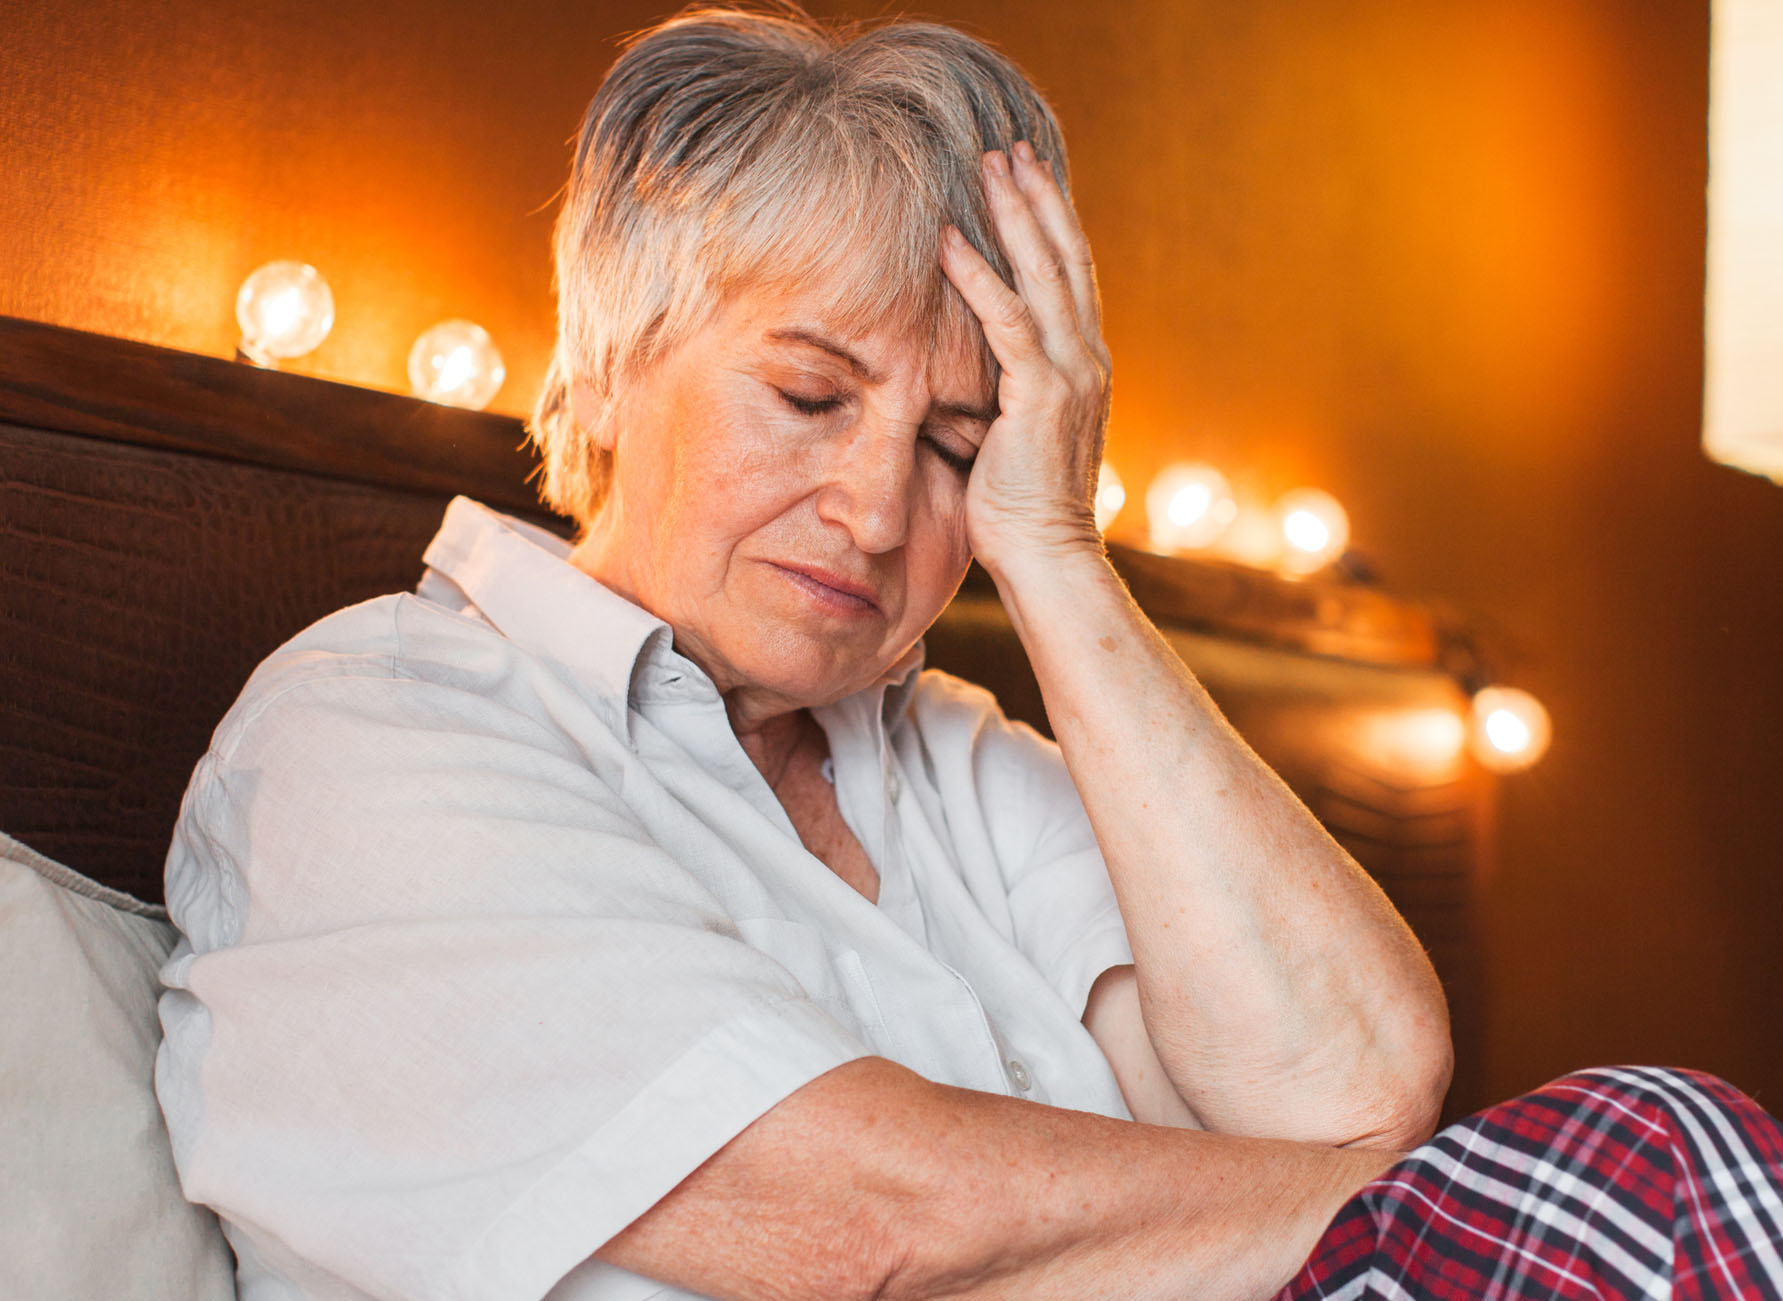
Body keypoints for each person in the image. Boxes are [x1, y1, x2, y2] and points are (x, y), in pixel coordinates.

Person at [155, 6, 1783, 1299]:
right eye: (806, 396)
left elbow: (1354, 1089)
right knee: (1653, 1147)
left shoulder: (953, 754)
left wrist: (1060, 560)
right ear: (608, 366)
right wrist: (1494, 1208)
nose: (874, 508)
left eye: (954, 442)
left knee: (1661, 1147)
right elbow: (870, 1225)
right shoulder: (379, 719)